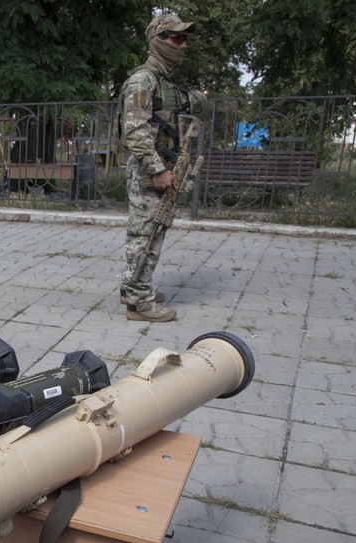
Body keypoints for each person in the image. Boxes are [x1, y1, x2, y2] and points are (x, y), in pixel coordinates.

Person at [118, 12, 208, 323]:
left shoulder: (162, 79)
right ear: (158, 41)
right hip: (149, 170)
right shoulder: (143, 80)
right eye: (176, 38)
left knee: (151, 231)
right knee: (147, 233)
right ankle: (139, 303)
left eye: (185, 39)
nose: (182, 45)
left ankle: (134, 288)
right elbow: (135, 130)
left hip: (157, 166)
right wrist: (157, 169)